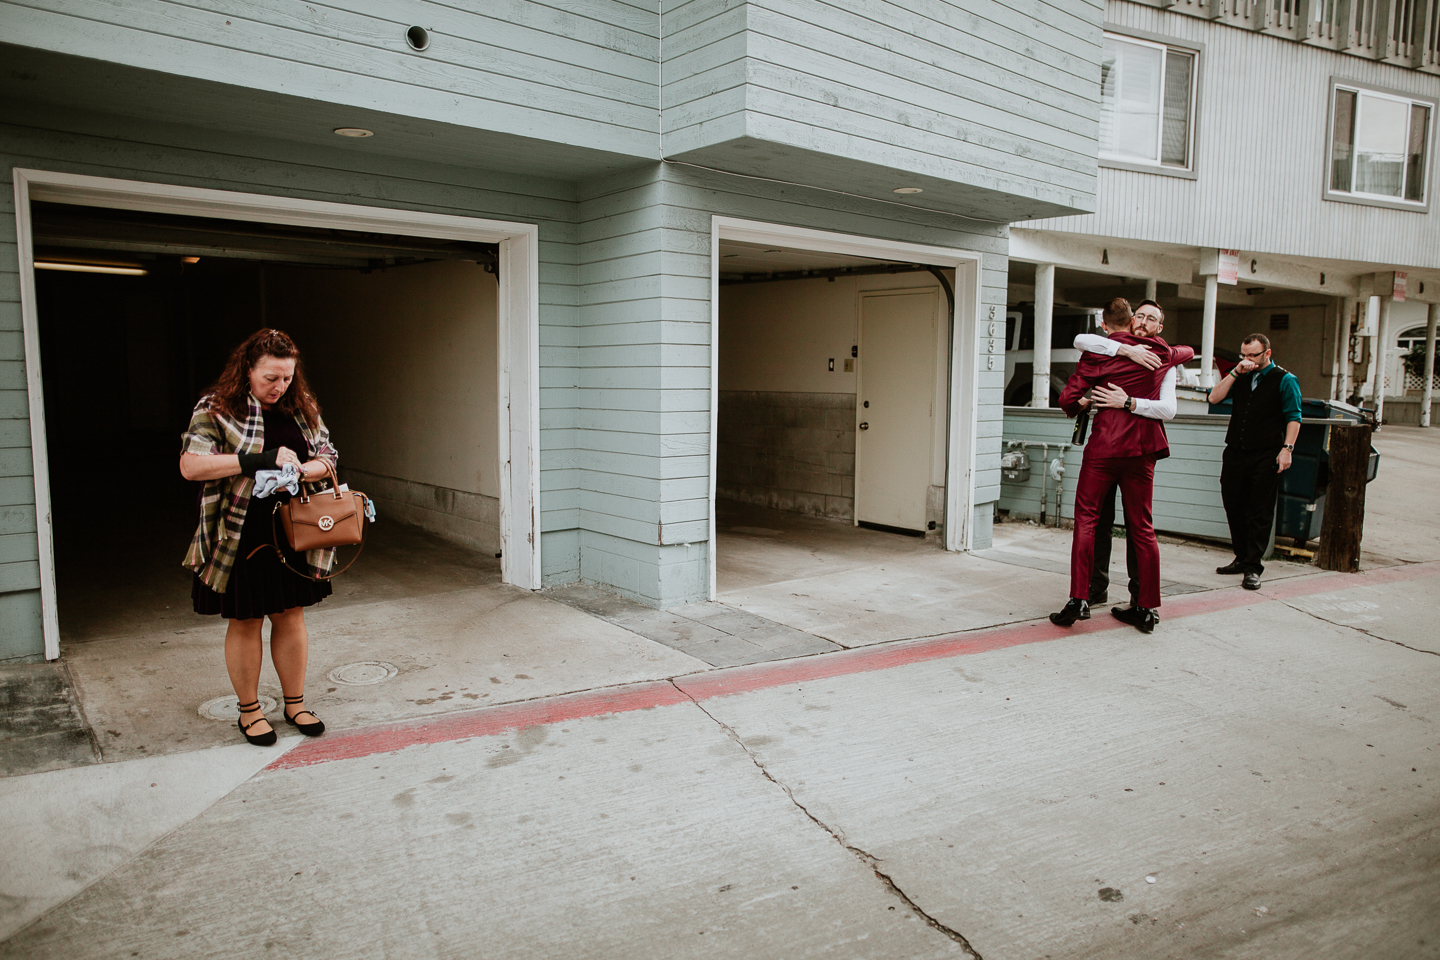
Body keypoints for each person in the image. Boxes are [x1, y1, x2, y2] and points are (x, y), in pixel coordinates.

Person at [180, 329, 337, 746]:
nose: (279, 387)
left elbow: (330, 457)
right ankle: (249, 712)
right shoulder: (216, 407)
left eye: (286, 377)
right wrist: (258, 461)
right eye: (270, 377)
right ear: (246, 369)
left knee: (290, 615)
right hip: (240, 533)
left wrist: (303, 470)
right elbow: (191, 466)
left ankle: (295, 703)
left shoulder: (301, 407)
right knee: (246, 620)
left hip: (293, 529)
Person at [1050, 306, 1195, 633]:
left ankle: (1080, 599)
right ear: (1132, 320)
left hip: (1104, 448)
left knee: (1087, 519)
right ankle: (1145, 607)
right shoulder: (1164, 355)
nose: (1143, 322)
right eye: (1140, 316)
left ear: (1160, 325)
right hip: (1142, 452)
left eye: (1151, 319)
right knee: (1141, 527)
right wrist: (1137, 349)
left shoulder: (1099, 354)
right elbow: (1187, 352)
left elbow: (1068, 398)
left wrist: (1091, 404)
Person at [1206, 333, 1302, 590]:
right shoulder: (1240, 375)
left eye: (1252, 355)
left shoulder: (1285, 380)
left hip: (1266, 452)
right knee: (1233, 505)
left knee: (1259, 510)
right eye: (1244, 355)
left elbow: (1294, 417)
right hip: (1236, 451)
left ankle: (1253, 566)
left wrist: (1287, 449)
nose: (1247, 359)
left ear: (1267, 354)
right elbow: (1214, 398)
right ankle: (1241, 557)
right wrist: (1236, 371)